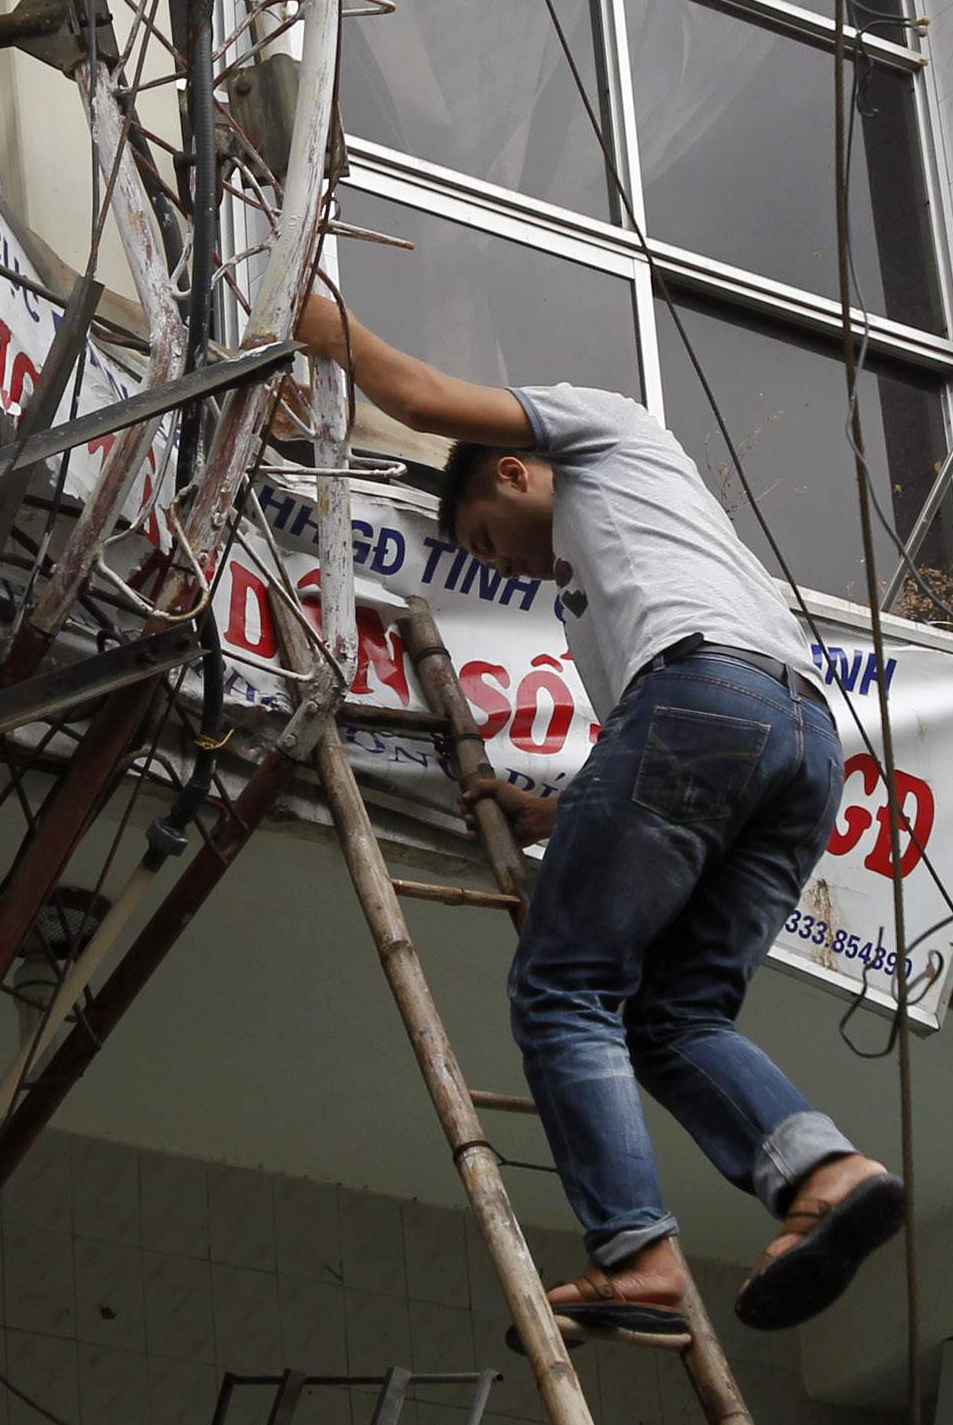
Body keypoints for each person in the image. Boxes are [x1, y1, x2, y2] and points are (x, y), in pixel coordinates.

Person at [294, 289, 906, 1336]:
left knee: (565, 983)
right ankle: (823, 1171)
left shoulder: (601, 430)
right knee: (673, 1017)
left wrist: (312, 318)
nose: (505, 566)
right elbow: (675, 757)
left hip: (708, 705)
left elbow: (423, 397)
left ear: (514, 468)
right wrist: (555, 808)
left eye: (489, 536)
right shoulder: (619, 576)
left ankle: (636, 1254)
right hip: (803, 749)